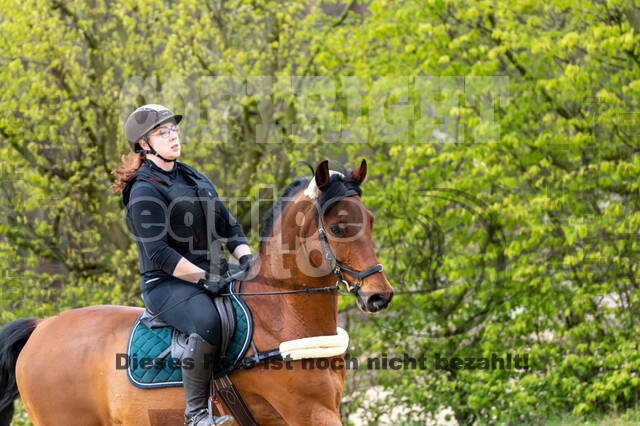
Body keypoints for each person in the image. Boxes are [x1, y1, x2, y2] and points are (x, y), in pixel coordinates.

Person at [111, 104, 252, 426]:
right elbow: (159, 252)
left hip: (211, 272)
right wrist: (203, 279)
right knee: (207, 322)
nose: (173, 137)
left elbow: (228, 225)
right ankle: (197, 416)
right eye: (163, 133)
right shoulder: (144, 189)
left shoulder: (192, 176)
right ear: (144, 145)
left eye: (173, 130)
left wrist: (246, 258)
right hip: (166, 284)